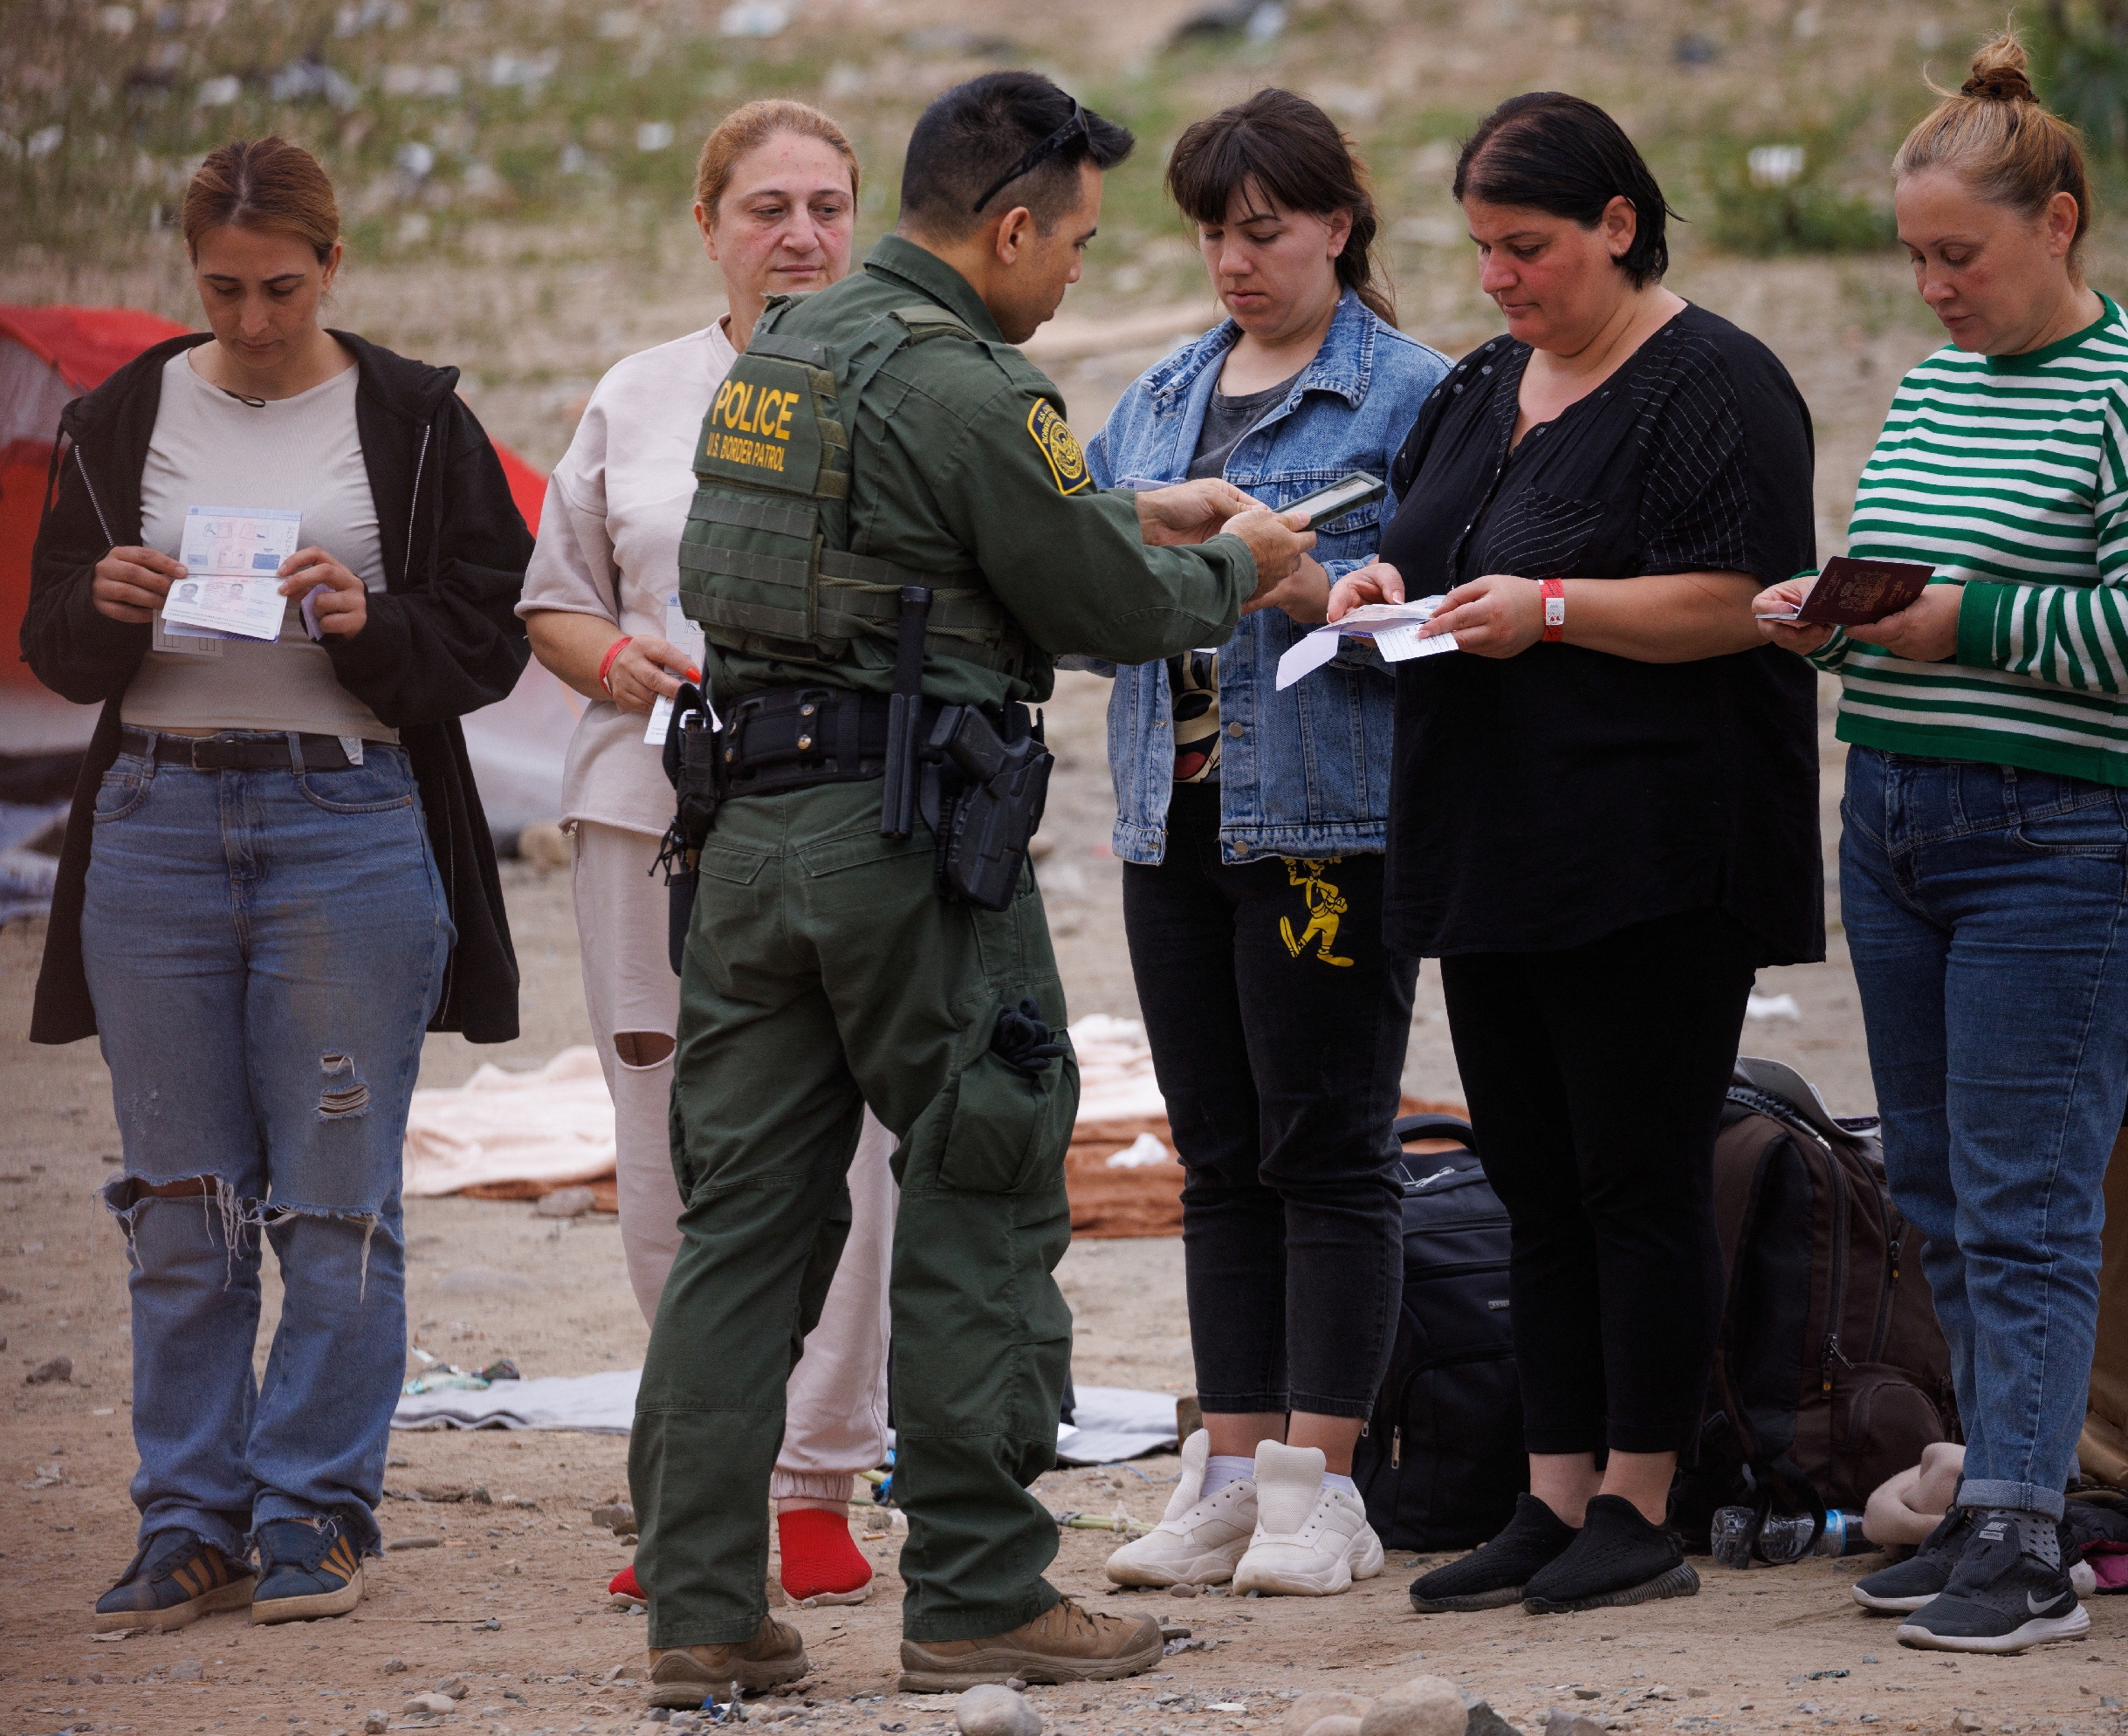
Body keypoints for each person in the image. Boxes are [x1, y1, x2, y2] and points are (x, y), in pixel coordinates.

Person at [624, 71, 1316, 1709]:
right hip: (910, 846)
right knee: (983, 1188)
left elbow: (903, 542)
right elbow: (1090, 600)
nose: (1076, 267)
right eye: (1072, 238)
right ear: (1007, 225)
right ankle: (982, 1596)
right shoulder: (965, 383)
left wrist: (1120, 506)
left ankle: (704, 1613)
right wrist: (1243, 565)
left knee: (742, 1228)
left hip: (748, 841)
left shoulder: (783, 352)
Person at [20, 137, 531, 1633]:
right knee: (178, 1198)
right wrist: (104, 609)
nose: (249, 320)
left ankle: (314, 1503)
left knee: (331, 1198)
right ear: (191, 276)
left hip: (345, 819)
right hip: (158, 820)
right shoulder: (120, 414)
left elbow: (485, 636)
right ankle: (189, 1517)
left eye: (280, 289)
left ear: (334, 264)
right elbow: (57, 639)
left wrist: (369, 622)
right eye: (222, 290)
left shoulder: (416, 416)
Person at [1325, 92, 1822, 1616]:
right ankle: (1549, 1497)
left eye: (1526, 246)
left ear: (1619, 223)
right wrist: (1383, 586)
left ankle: (1644, 1502)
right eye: (1480, 247)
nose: (1498, 278)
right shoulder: (1483, 382)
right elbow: (1443, 543)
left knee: (1637, 1173)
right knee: (1532, 1174)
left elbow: (1747, 597)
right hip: (1497, 843)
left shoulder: (1718, 383)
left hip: (1657, 851)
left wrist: (1549, 609)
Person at [1756, 34, 2128, 1653]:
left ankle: (2026, 1527)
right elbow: (1909, 586)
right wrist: (1833, 626)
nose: (1935, 288)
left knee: (2026, 1190)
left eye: (1962, 254)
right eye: (1917, 258)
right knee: (1934, 1181)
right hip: (1900, 813)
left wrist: (1959, 623)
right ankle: (2001, 1486)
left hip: (2063, 841)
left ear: (2062, 223)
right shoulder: (1944, 379)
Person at [518, 99, 899, 1614]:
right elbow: (556, 600)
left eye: (826, 205)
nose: (799, 235)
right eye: (766, 208)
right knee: (666, 1141)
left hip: (844, 814)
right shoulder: (639, 393)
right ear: (707, 225)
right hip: (651, 811)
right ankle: (698, 1482)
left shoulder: (896, 385)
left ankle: (816, 1484)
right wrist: (615, 663)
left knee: (845, 1148)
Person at [1081, 90, 1448, 1600]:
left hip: (1323, 822)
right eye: (1214, 235)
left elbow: (1442, 610)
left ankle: (1323, 1482)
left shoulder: (1419, 391)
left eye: (1265, 231)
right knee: (1217, 1155)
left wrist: (1299, 586)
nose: (1236, 263)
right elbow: (1079, 571)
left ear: (1338, 228)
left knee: (1331, 1145)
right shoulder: (1161, 394)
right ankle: (1226, 1472)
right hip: (1167, 818)